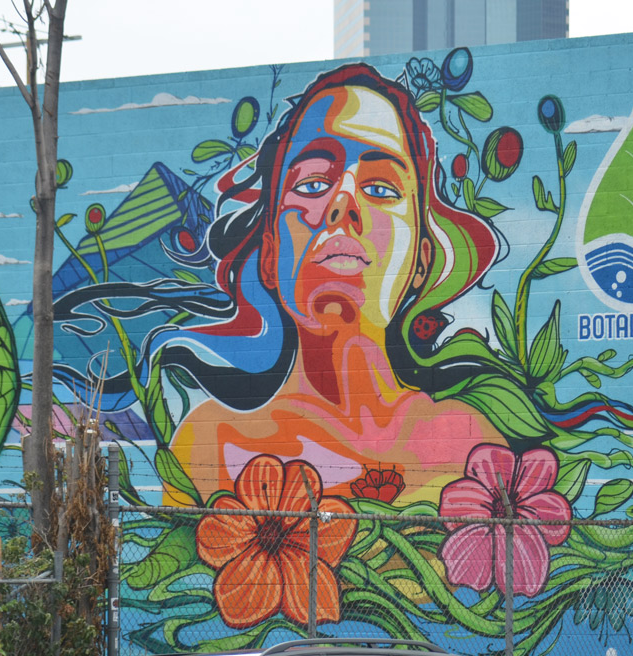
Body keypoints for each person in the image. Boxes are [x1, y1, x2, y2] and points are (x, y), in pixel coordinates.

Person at [166, 63, 508, 503]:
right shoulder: (207, 447)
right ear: (269, 255)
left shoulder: (471, 448)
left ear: (420, 262)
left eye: (382, 189)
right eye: (311, 183)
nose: (343, 203)